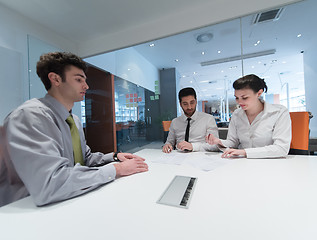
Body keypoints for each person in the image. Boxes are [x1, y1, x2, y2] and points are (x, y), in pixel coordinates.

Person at [0, 52, 148, 207]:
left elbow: (84, 159)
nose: (86, 86)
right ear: (56, 79)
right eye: (78, 79)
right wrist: (116, 170)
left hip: (68, 200)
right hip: (27, 212)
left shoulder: (73, 120)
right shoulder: (30, 116)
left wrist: (114, 156)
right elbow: (50, 184)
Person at [206, 74, 291, 158]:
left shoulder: (279, 112)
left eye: (244, 98)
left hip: (271, 163)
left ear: (259, 93)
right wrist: (219, 141)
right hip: (243, 163)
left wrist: (244, 152)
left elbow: (281, 148)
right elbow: (233, 142)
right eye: (237, 98)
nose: (239, 102)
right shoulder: (236, 114)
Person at [162, 87, 218, 153]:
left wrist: (193, 146)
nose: (189, 107)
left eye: (192, 102)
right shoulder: (175, 122)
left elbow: (215, 146)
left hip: (200, 157)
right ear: (180, 104)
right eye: (185, 104)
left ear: (196, 101)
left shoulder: (208, 119)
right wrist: (167, 145)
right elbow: (169, 142)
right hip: (179, 157)